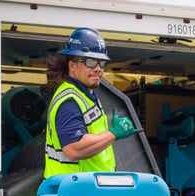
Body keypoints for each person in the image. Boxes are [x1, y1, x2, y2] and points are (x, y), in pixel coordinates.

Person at [44, 27, 140, 179]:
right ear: (72, 66)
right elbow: (74, 149)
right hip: (76, 191)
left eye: (101, 63)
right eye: (90, 62)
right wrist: (113, 133)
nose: (98, 69)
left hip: (87, 189)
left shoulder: (87, 95)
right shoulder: (69, 101)